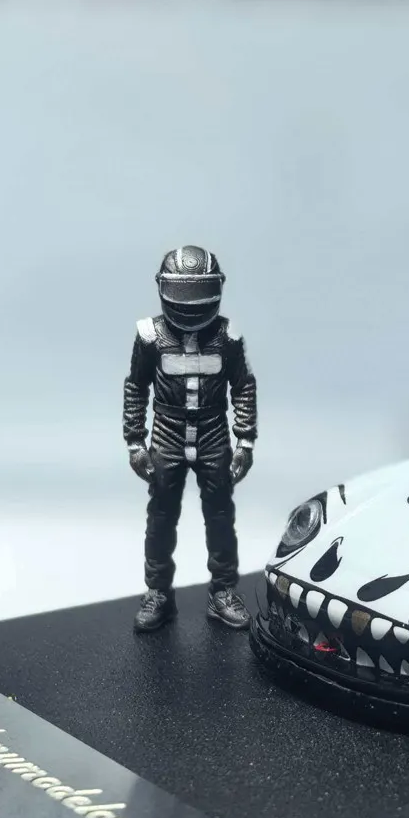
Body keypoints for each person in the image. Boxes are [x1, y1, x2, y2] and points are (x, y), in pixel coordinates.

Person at [122, 245, 257, 632]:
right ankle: (158, 594)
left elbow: (243, 386)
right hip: (167, 433)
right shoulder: (150, 337)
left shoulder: (228, 337)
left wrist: (245, 441)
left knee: (221, 515)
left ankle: (222, 592)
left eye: (198, 292)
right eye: (184, 293)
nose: (191, 304)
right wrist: (135, 442)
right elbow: (136, 388)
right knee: (161, 517)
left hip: (214, 432)